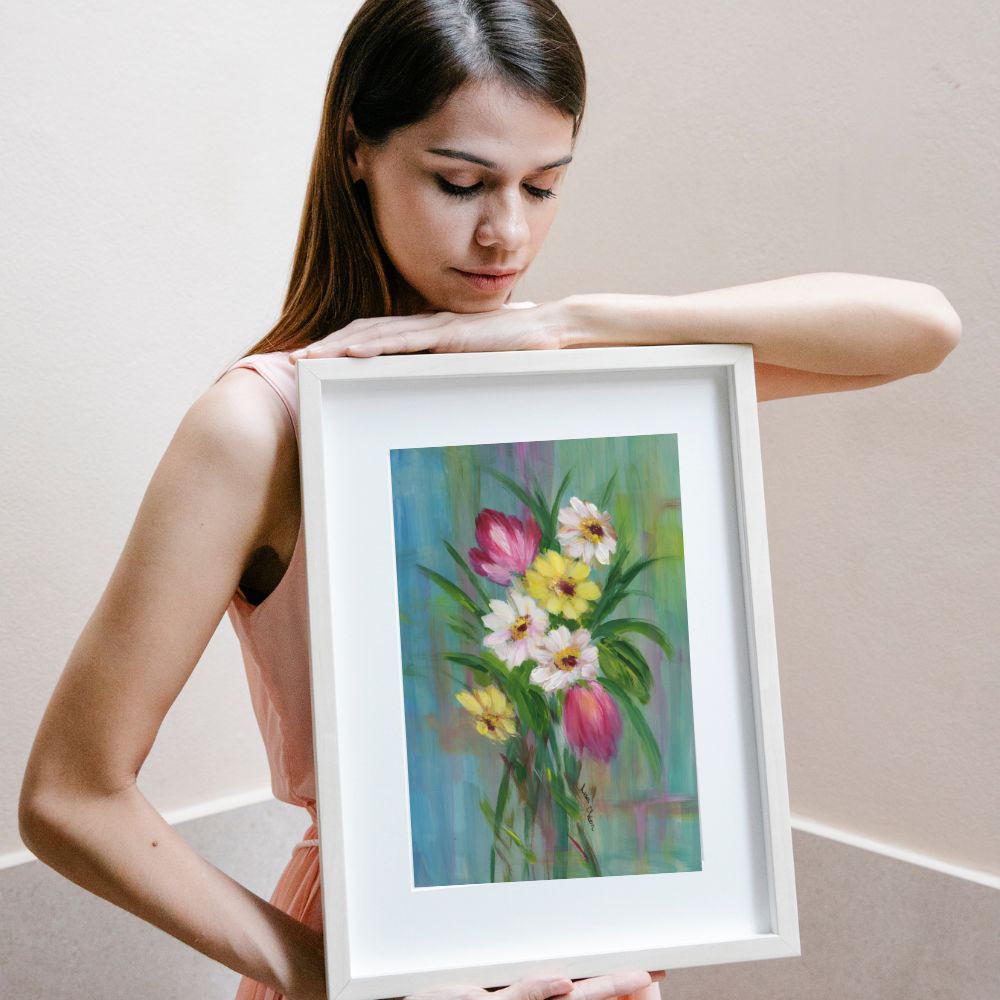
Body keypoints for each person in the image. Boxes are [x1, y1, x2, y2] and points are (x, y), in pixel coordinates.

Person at [17, 1, 961, 999]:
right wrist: (320, 978)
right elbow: (71, 796)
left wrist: (569, 322)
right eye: (459, 181)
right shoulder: (261, 425)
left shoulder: (575, 368)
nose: (503, 231)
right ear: (357, 151)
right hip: (369, 965)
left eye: (542, 185)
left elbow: (920, 328)